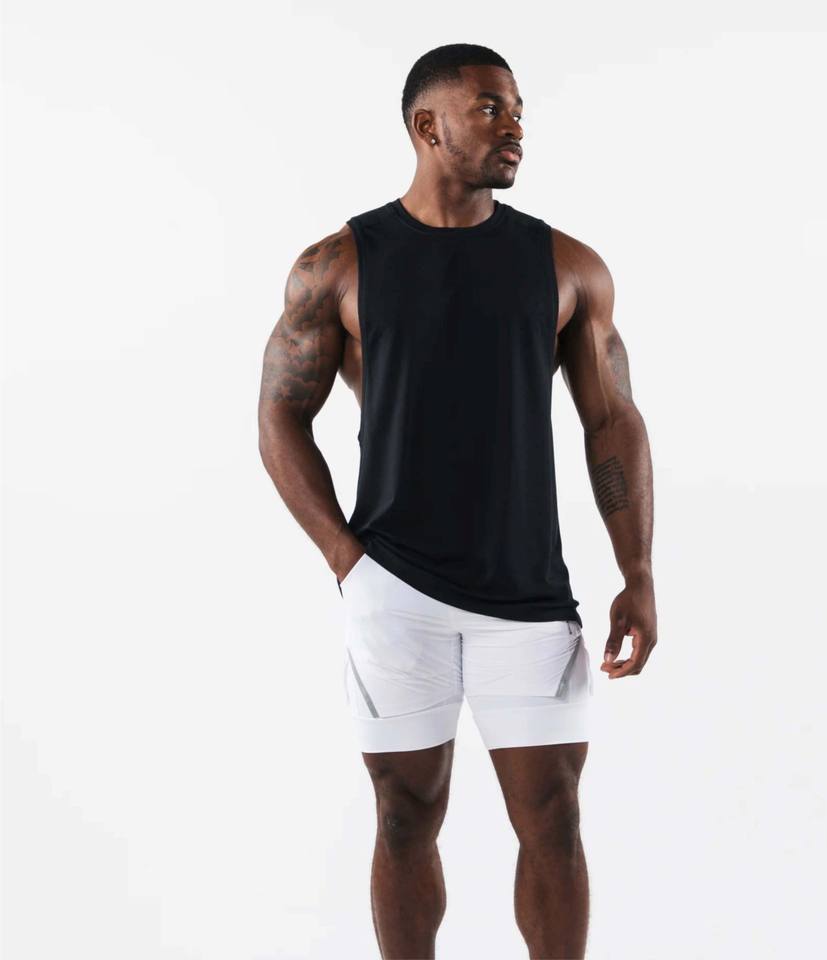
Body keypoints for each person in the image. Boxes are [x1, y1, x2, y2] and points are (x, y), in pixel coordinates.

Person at [257, 42, 657, 960]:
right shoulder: (338, 265)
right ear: (426, 126)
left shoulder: (566, 265)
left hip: (527, 589)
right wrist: (345, 559)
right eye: (490, 108)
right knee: (405, 812)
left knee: (552, 815)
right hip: (394, 585)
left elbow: (612, 421)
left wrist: (637, 570)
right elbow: (280, 414)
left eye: (518, 109)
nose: (514, 126)